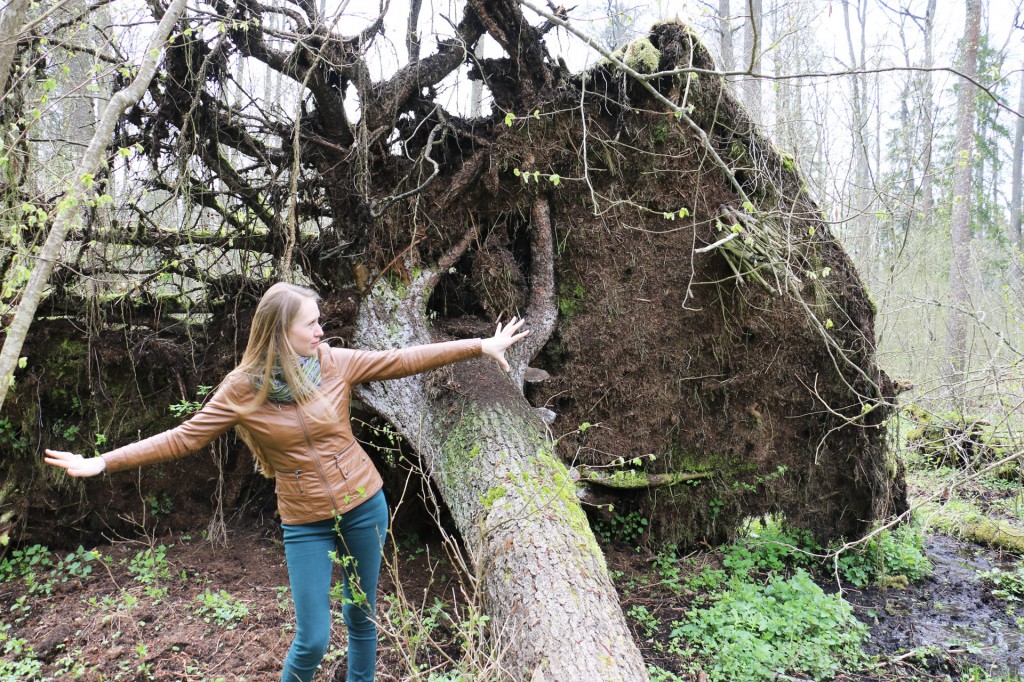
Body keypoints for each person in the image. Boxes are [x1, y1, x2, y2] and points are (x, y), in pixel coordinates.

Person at [44, 281, 529, 682]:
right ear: (280, 331)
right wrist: (103, 462)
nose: (321, 330)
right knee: (313, 638)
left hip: (364, 503)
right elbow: (183, 438)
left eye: (319, 321)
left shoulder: (333, 362)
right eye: (311, 324)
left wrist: (480, 347)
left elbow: (401, 359)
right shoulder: (242, 388)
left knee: (362, 615)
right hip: (305, 521)